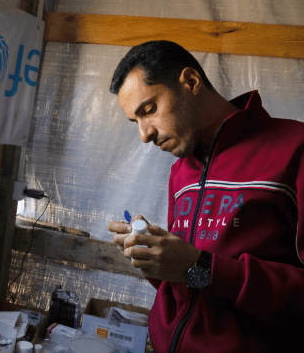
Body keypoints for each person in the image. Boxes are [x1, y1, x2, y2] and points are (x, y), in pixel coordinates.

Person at [106, 40, 304, 352]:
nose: (144, 134)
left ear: (190, 82)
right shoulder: (181, 171)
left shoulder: (294, 148)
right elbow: (190, 284)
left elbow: (203, 272)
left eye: (149, 110)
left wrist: (203, 267)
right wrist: (154, 256)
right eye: (136, 121)